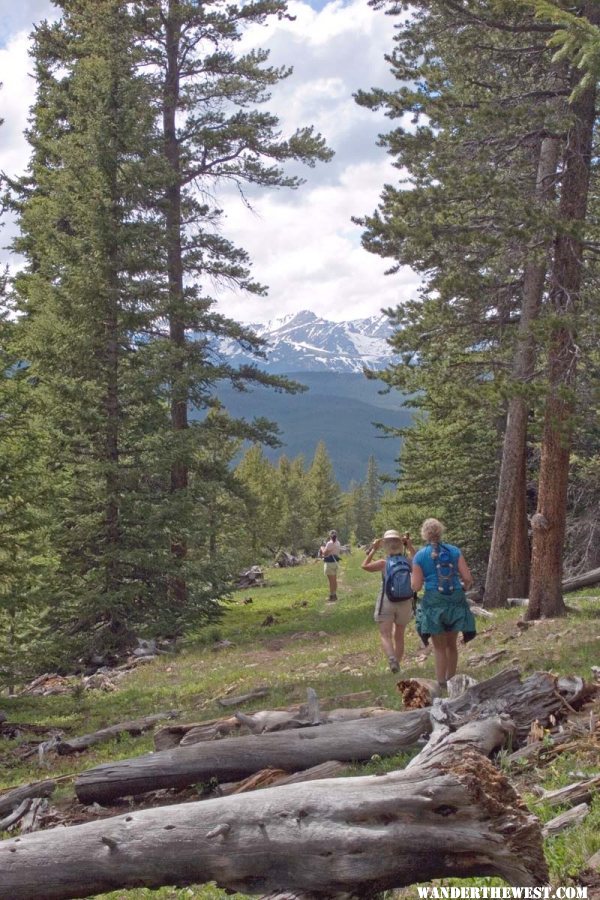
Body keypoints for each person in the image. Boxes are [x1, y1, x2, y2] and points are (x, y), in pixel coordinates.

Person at [411, 518, 476, 693]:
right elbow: (468, 578)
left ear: (424, 534)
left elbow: (416, 586)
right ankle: (452, 681)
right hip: (455, 599)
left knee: (439, 647)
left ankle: (440, 684)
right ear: (441, 531)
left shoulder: (420, 555)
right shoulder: (454, 551)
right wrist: (463, 587)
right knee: (451, 644)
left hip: (433, 602)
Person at [362, 529, 415, 673]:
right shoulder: (408, 561)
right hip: (405, 601)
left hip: (387, 600)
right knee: (400, 634)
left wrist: (373, 549)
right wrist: (409, 545)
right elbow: (418, 561)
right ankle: (397, 664)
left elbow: (364, 566)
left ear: (385, 545)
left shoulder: (383, 563)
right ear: (401, 544)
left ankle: (392, 659)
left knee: (385, 634)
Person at [320, 530, 342, 602]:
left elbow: (325, 553)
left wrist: (322, 548)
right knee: (334, 580)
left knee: (331, 581)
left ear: (330, 536)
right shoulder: (338, 543)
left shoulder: (329, 543)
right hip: (335, 563)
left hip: (329, 563)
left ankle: (331, 596)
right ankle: (334, 594)